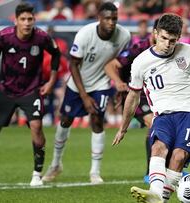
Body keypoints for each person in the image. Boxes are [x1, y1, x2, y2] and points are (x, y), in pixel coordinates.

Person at [112, 13, 190, 203]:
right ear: (155, 34)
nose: (168, 44)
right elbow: (133, 96)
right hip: (162, 116)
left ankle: (160, 197)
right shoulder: (141, 62)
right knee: (158, 147)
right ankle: (155, 193)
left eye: (173, 40)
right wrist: (123, 127)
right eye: (164, 38)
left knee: (178, 156)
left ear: (179, 38)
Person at [0, 2, 61, 186]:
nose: (27, 23)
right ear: (16, 20)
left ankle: (36, 174)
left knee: (36, 126)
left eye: (30, 19)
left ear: (34, 20)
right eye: (23, 19)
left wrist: (51, 81)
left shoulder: (41, 37)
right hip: (7, 90)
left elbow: (56, 54)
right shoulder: (4, 36)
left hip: (31, 89)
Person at [42, 2, 131, 184]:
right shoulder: (84, 34)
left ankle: (95, 172)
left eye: (114, 19)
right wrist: (84, 96)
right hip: (78, 84)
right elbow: (73, 64)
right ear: (99, 18)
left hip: (101, 82)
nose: (111, 23)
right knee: (66, 120)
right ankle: (56, 164)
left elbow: (120, 63)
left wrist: (120, 84)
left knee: (97, 120)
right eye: (107, 18)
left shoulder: (124, 36)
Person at [105, 19, 158, 184]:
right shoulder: (139, 49)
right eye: (163, 34)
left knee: (165, 128)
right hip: (136, 95)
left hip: (156, 95)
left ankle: (169, 169)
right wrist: (119, 83)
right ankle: (151, 172)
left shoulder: (168, 51)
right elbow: (110, 66)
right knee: (154, 124)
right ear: (155, 32)